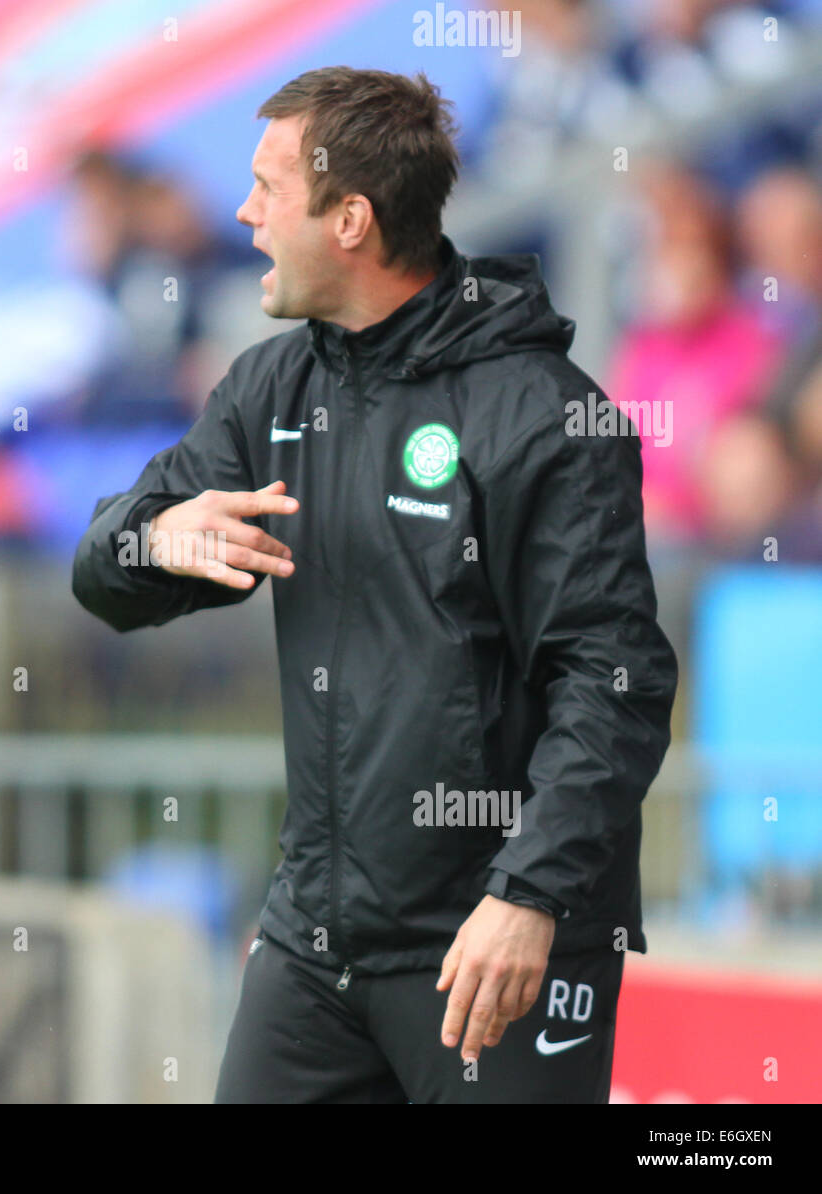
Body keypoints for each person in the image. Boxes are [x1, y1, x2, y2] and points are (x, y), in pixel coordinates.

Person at [72, 68, 678, 1103]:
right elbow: (105, 572)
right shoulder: (270, 386)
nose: (241, 213)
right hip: (314, 946)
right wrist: (149, 540)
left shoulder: (541, 415)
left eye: (267, 187)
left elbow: (612, 682)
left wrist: (528, 897)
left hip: (491, 949)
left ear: (348, 218)